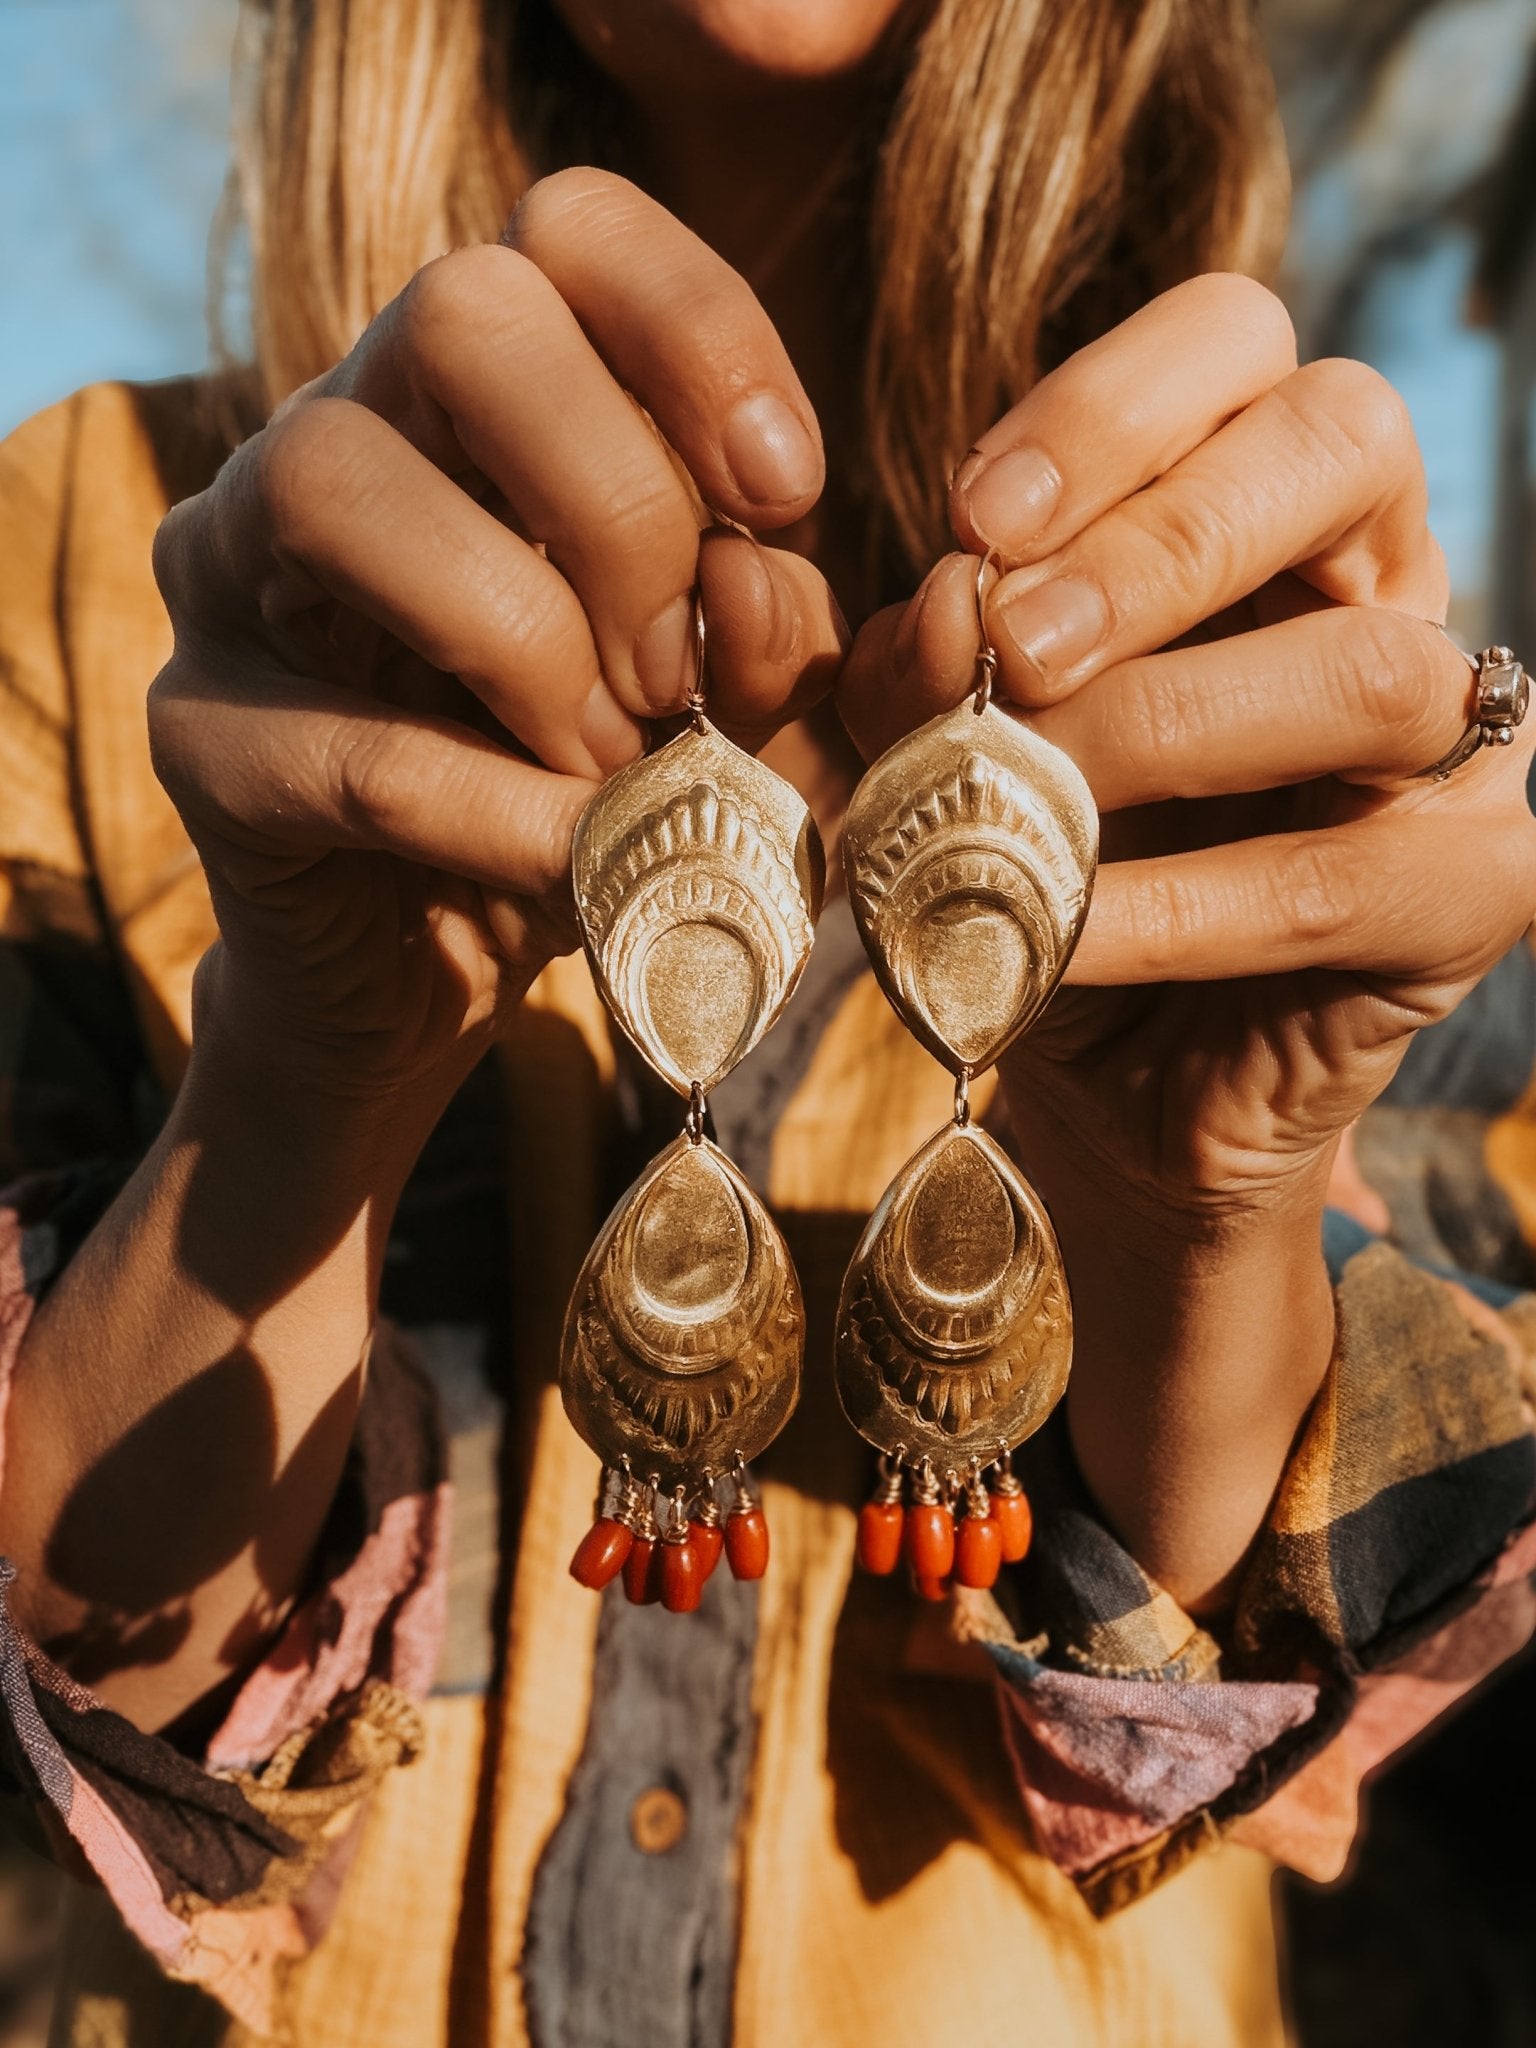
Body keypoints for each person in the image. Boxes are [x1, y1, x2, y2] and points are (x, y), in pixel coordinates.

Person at [1, 0, 1534, 2042]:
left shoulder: (1297, 632)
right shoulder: (99, 546)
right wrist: (300, 1077)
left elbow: (1196, 1770)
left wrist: (1209, 1208)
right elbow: (78, 1676)